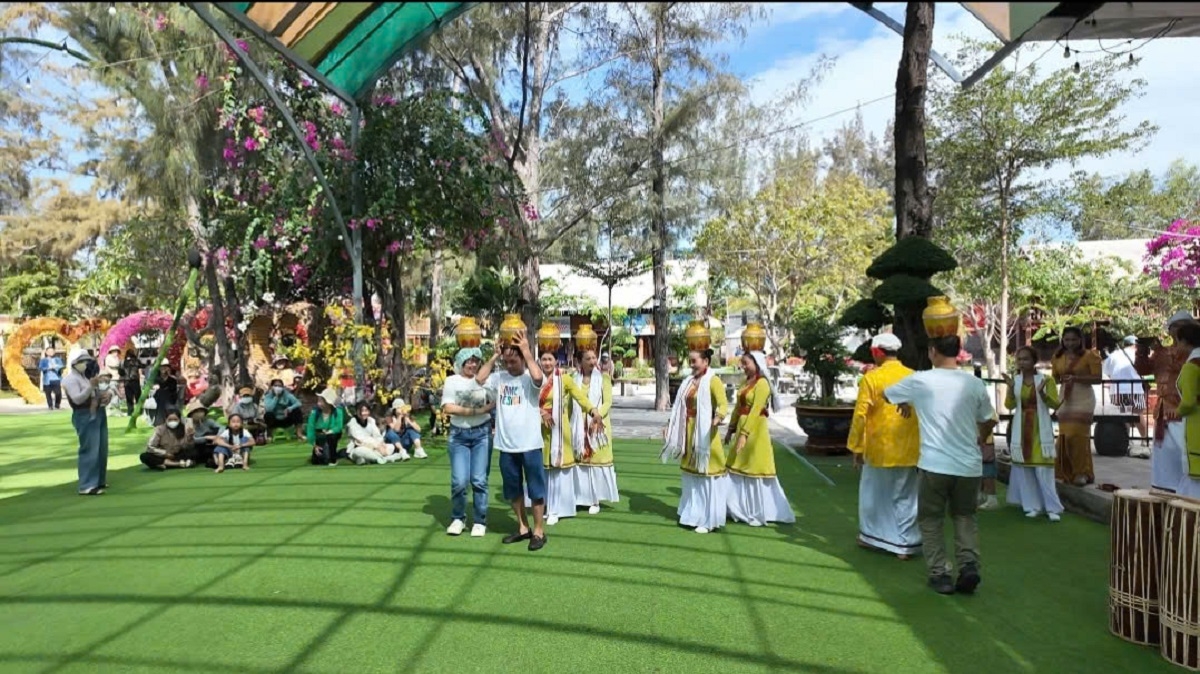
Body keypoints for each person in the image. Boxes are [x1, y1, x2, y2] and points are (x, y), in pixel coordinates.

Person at [884, 335, 996, 595]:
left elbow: (886, 394)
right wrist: (979, 435)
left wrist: (905, 401)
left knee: (931, 519)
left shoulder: (920, 380)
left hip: (934, 464)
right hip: (968, 465)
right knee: (965, 516)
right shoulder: (974, 383)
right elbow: (988, 419)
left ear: (932, 351)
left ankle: (940, 573)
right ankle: (969, 565)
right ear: (958, 352)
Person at [477, 331, 596, 551]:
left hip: (530, 445)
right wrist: (495, 356)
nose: (510, 365)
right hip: (505, 445)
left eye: (514, 361)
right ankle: (523, 527)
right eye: (507, 362)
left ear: (522, 359)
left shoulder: (530, 379)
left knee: (536, 489)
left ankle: (539, 531)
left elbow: (539, 378)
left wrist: (526, 351)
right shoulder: (500, 378)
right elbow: (479, 379)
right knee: (512, 490)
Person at [847, 333, 921, 559]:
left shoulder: (872, 378)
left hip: (880, 447)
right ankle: (905, 543)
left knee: (874, 495)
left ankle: (872, 536)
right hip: (909, 446)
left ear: (878, 352)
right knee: (906, 495)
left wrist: (856, 447)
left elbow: (860, 415)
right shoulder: (913, 375)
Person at [661, 348, 729, 534]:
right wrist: (670, 424)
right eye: (690, 361)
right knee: (691, 476)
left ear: (706, 361)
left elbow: (723, 404)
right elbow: (679, 407)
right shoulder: (688, 382)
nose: (691, 365)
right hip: (688, 431)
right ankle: (691, 515)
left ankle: (707, 519)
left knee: (706, 475)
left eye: (694, 361)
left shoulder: (713, 381)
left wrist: (718, 417)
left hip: (705, 434)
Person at [725, 350, 795, 527]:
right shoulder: (745, 383)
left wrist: (744, 435)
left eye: (745, 363)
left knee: (755, 468)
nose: (742, 366)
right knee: (735, 468)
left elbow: (756, 410)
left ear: (756, 364)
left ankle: (759, 511)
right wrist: (731, 429)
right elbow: (737, 408)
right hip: (742, 426)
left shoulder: (762, 384)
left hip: (756, 431)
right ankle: (735, 508)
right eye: (742, 363)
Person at [534, 350, 600, 525]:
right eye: (544, 359)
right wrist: (541, 412)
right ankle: (547, 505)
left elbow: (580, 397)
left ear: (556, 361)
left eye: (550, 359)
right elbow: (528, 401)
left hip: (559, 429)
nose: (547, 363)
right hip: (538, 428)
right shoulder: (534, 378)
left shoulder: (564, 379)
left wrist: (593, 411)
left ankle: (557, 509)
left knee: (557, 468)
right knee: (544, 468)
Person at [1136, 311, 1198, 493]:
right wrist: (1142, 351)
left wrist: (1167, 353)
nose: (1177, 331)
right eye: (1174, 327)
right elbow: (1142, 369)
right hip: (1163, 410)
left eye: (1182, 327)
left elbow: (1188, 369)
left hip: (1184, 409)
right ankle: (1165, 489)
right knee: (1164, 455)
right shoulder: (1162, 352)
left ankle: (1186, 490)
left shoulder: (1192, 352)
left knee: (1185, 453)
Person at [1003, 346, 1065, 521]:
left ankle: (1052, 508)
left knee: (1043, 468)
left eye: (1026, 359)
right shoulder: (1016, 380)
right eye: (1019, 359)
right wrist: (1010, 389)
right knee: (1025, 469)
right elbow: (1009, 406)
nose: (1022, 363)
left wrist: (1042, 394)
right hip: (1021, 427)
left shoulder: (1046, 380)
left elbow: (1055, 405)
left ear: (1034, 361)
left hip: (1040, 427)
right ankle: (1032, 506)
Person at [441, 348, 496, 537]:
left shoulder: (486, 380)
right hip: (459, 435)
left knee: (479, 479)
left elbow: (493, 398)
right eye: (468, 362)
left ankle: (480, 520)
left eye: (476, 361)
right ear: (461, 363)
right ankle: (458, 517)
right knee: (459, 480)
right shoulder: (452, 381)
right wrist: (477, 411)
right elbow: (448, 407)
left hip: (482, 434)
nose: (472, 365)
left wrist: (495, 356)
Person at [1051, 327, 1103, 486]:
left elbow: (1097, 378)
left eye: (1074, 339)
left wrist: (1076, 378)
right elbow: (1055, 378)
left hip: (1083, 399)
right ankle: (1066, 471)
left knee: (1078, 436)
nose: (1070, 343)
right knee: (1065, 437)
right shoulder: (1058, 357)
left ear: (1080, 340)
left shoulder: (1090, 355)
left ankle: (1083, 472)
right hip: (1065, 398)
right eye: (1067, 340)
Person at [572, 348, 619, 515]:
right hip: (579, 425)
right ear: (580, 361)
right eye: (588, 358)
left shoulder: (604, 378)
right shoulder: (574, 379)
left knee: (596, 461)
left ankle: (595, 499)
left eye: (594, 358)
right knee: (582, 461)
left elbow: (608, 402)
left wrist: (596, 416)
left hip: (598, 425)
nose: (593, 361)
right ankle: (581, 497)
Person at [62, 347, 109, 495]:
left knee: (101, 448)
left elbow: (94, 393)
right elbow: (77, 398)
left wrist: (104, 395)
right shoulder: (70, 379)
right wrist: (91, 386)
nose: (86, 364)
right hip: (84, 414)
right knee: (89, 449)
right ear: (74, 363)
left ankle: (99, 480)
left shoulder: (85, 377)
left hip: (98, 411)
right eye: (82, 361)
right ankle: (87, 484)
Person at [1167, 322, 1200, 498]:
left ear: (1186, 342)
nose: (1177, 346)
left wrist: (1176, 412)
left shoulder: (1191, 366)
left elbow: (1188, 402)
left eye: (1178, 342)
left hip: (1196, 423)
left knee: (1195, 473)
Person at [1105, 335, 1149, 454]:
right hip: (1135, 389)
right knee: (1138, 414)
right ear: (1135, 345)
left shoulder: (1114, 355)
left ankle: (1127, 441)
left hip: (1118, 389)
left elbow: (1106, 372)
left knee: (1124, 416)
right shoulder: (1139, 355)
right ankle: (1144, 440)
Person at [306, 388, 345, 465]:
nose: (319, 403)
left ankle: (333, 459)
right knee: (317, 460)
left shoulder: (338, 412)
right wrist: (314, 445)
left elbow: (339, 427)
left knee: (331, 438)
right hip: (319, 437)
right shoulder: (314, 413)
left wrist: (329, 432)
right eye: (318, 401)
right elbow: (310, 429)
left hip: (332, 435)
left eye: (321, 401)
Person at [38, 346, 64, 410]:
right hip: (47, 379)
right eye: (49, 351)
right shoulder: (43, 360)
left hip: (56, 378)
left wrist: (56, 367)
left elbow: (62, 366)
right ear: (46, 352)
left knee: (58, 393)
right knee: (48, 393)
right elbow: (40, 368)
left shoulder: (57, 359)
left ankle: (57, 405)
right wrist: (48, 368)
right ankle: (50, 406)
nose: (50, 352)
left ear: (54, 352)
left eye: (52, 351)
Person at [121, 350, 142, 415]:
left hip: (126, 381)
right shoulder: (137, 361)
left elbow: (121, 372)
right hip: (135, 380)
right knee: (138, 397)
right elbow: (140, 369)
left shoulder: (123, 362)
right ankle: (139, 411)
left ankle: (130, 412)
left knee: (129, 398)